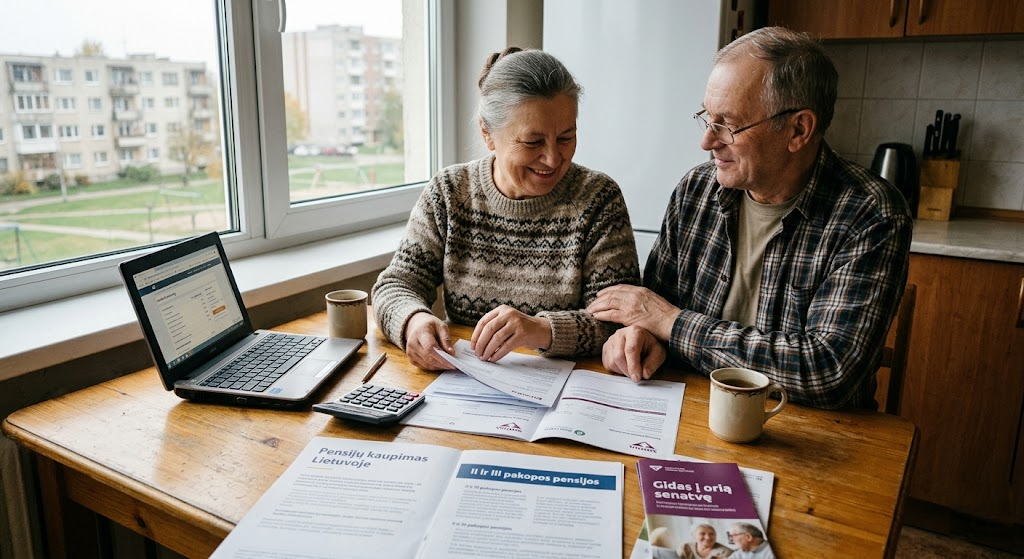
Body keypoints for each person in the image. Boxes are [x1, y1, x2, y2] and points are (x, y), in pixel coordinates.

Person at [587, 26, 912, 410]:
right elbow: (651, 314)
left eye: (727, 124)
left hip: (813, 434)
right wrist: (635, 339)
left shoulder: (870, 214)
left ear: (798, 130)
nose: (707, 141)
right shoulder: (696, 190)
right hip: (690, 412)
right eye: (706, 118)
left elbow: (827, 372)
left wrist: (672, 324)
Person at [372, 47, 640, 370]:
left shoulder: (598, 199)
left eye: (566, 137)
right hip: (465, 387)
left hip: (569, 395)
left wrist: (539, 329)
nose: (553, 159)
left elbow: (620, 321)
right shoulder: (450, 192)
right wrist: (412, 321)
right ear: (488, 133)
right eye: (533, 142)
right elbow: (395, 285)